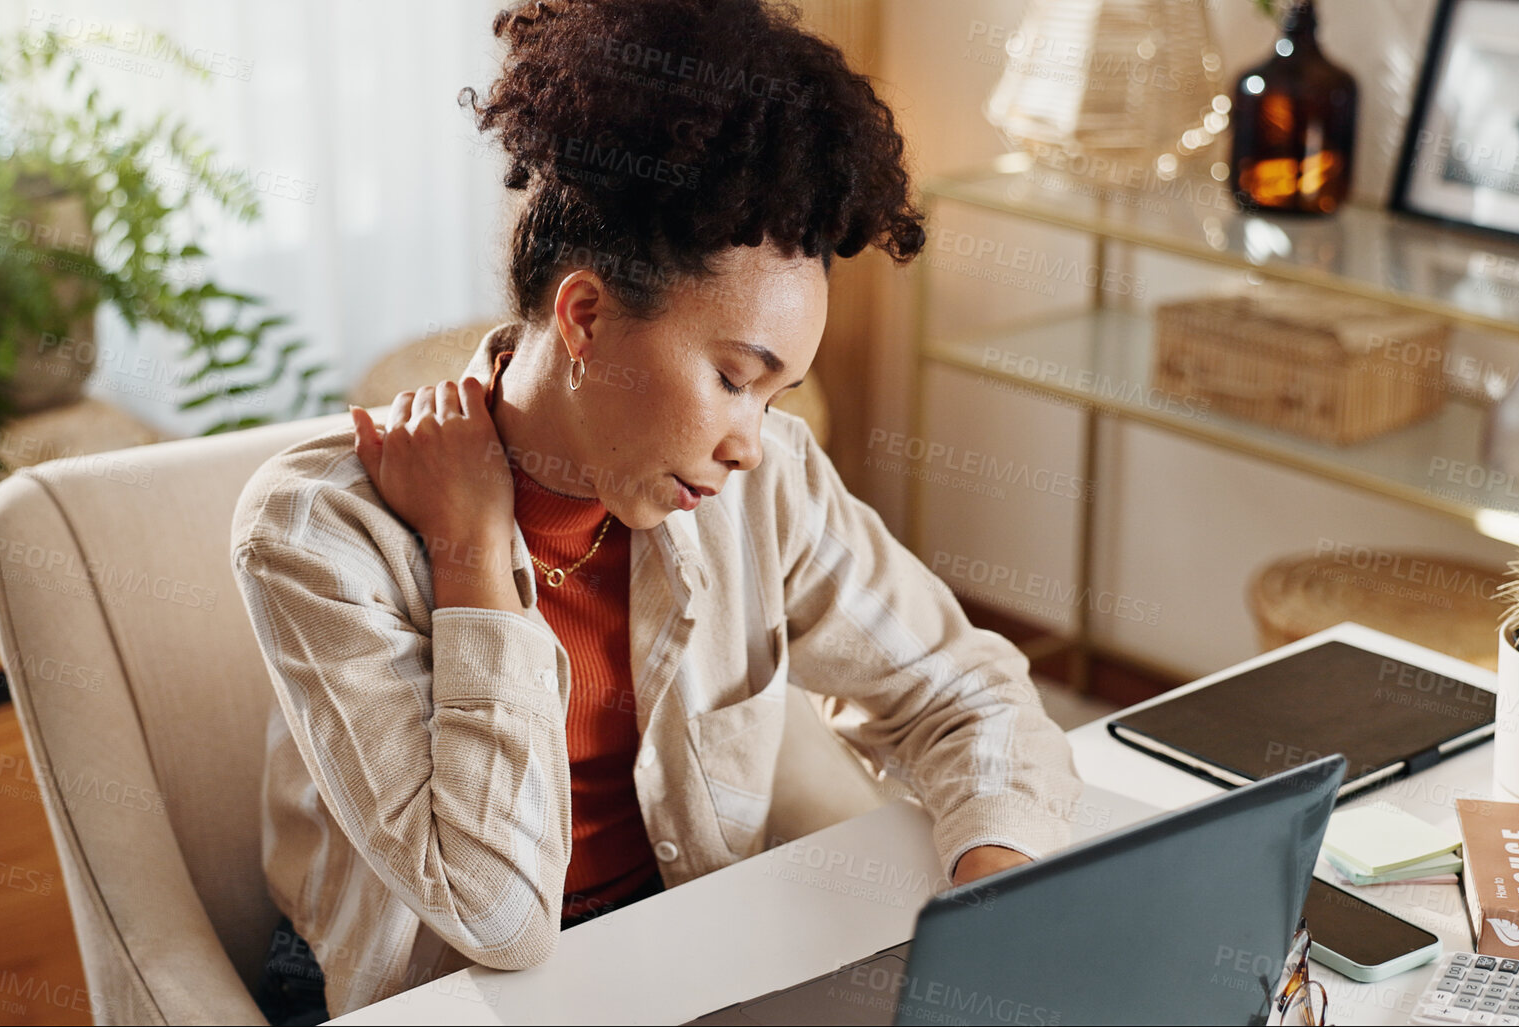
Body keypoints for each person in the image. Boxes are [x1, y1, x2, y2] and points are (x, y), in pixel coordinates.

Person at [229, 0, 1085, 1021]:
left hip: (672, 945)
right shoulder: (320, 531)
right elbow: (496, 918)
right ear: (584, 316)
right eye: (733, 377)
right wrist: (470, 550)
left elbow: (966, 690)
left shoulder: (760, 483)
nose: (751, 441)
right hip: (428, 988)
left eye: (778, 394)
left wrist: (994, 877)